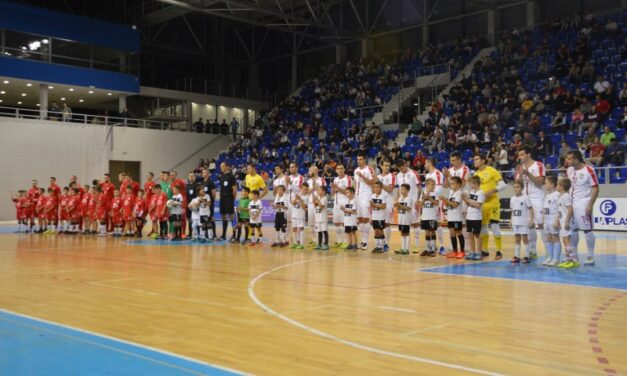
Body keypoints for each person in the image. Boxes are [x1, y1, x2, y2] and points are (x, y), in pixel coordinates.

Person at [565, 151, 599, 265]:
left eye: (569, 159)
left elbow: (595, 188)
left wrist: (590, 204)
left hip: (583, 203)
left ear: (576, 160)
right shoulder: (569, 170)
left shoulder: (589, 170)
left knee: (587, 230)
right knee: (573, 230)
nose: (567, 161)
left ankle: (590, 255)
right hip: (571, 205)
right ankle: (574, 256)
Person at [514, 146, 546, 259]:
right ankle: (533, 251)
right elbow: (517, 183)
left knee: (541, 224)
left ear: (528, 154)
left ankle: (548, 251)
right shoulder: (520, 167)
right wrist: (522, 174)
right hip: (525, 198)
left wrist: (528, 174)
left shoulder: (539, 165)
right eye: (519, 155)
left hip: (537, 197)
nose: (520, 157)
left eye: (522, 154)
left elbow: (541, 182)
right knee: (530, 225)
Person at [473, 154, 507, 260]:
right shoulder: (476, 174)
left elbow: (503, 184)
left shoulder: (492, 170)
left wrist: (492, 191)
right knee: (483, 228)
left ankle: (498, 251)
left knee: (494, 226)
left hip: (493, 203)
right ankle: (485, 251)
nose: (475, 161)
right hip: (482, 205)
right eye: (474, 159)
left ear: (483, 160)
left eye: (477, 159)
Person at [395, 159, 422, 252]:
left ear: (405, 164)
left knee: (415, 224)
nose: (401, 169)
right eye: (399, 168)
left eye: (402, 167)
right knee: (404, 225)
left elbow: (419, 187)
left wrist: (418, 200)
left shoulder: (414, 173)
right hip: (403, 203)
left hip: (413, 203)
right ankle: (404, 247)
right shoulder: (398, 175)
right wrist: (398, 200)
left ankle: (416, 246)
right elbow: (399, 189)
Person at [354, 154, 376, 250]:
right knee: (360, 219)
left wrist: (362, 176)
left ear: (364, 160)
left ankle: (366, 242)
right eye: (358, 159)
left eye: (361, 159)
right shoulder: (355, 170)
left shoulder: (369, 169)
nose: (359, 161)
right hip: (357, 196)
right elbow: (356, 184)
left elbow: (372, 183)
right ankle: (362, 241)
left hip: (366, 195)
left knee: (366, 219)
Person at [424, 157, 446, 254]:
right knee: (428, 226)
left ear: (429, 163)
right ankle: (431, 247)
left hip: (436, 202)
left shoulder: (437, 173)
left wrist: (431, 195)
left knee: (437, 224)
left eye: (426, 163)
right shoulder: (428, 175)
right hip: (428, 202)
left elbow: (439, 188)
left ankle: (442, 246)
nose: (424, 165)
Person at [509, 181, 534, 264]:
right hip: (515, 221)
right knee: (516, 239)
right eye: (514, 187)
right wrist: (511, 220)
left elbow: (531, 209)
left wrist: (531, 219)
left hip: (523, 221)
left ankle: (527, 256)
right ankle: (517, 256)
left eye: (518, 187)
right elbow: (512, 211)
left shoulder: (525, 198)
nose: (516, 189)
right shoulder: (512, 198)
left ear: (522, 188)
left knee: (524, 239)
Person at [440, 176, 465, 258]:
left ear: (459, 184)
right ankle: (454, 251)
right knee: (452, 234)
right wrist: (445, 201)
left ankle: (462, 251)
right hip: (450, 217)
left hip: (456, 217)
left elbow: (454, 204)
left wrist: (445, 199)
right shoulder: (451, 192)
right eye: (451, 184)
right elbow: (449, 204)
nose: (451, 185)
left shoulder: (459, 193)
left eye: (453, 184)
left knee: (459, 233)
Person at [462, 176, 485, 261]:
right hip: (469, 216)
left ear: (476, 183)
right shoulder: (471, 192)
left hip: (476, 217)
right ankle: (472, 252)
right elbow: (469, 204)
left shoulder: (480, 193)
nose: (470, 185)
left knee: (477, 235)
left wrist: (467, 199)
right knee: (470, 235)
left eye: (471, 183)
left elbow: (478, 205)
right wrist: (465, 199)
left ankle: (479, 252)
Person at [556, 178, 577, 268]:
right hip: (562, 222)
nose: (557, 186)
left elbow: (570, 209)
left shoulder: (566, 196)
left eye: (557, 184)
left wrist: (567, 221)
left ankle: (572, 260)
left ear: (561, 186)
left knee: (567, 242)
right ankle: (569, 259)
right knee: (565, 242)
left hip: (566, 223)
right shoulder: (561, 196)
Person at [331, 164, 352, 248]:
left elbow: (349, 192)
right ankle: (339, 240)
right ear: (336, 170)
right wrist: (333, 188)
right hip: (336, 204)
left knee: (344, 223)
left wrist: (337, 188)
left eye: (341, 168)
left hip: (344, 203)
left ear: (344, 170)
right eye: (338, 169)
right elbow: (332, 193)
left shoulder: (348, 179)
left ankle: (345, 241)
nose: (340, 170)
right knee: (336, 223)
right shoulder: (335, 179)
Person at [542, 176, 561, 266]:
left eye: (546, 183)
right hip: (547, 220)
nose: (545, 185)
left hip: (553, 219)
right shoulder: (547, 195)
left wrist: (557, 220)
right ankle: (550, 257)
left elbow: (559, 209)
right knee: (548, 239)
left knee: (555, 238)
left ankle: (556, 259)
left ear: (553, 185)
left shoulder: (557, 195)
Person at [377, 159, 396, 252]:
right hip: (379, 204)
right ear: (381, 166)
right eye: (385, 165)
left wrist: (380, 184)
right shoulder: (378, 177)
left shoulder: (392, 176)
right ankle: (380, 243)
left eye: (389, 165)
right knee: (379, 224)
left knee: (387, 224)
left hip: (388, 203)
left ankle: (386, 244)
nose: (387, 167)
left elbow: (389, 189)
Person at [306, 166, 327, 245]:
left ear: (316, 171)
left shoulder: (322, 180)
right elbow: (306, 192)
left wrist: (315, 185)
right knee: (311, 223)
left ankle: (323, 240)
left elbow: (323, 191)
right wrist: (313, 187)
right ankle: (314, 239)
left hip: (319, 203)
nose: (310, 172)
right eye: (309, 171)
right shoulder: (308, 181)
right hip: (311, 203)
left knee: (320, 222)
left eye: (311, 171)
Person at [418, 179, 439, 257]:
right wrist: (424, 198)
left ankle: (433, 249)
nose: (433, 186)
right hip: (425, 216)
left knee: (432, 231)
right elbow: (420, 204)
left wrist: (430, 198)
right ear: (426, 185)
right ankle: (427, 249)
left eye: (434, 185)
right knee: (426, 232)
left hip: (432, 216)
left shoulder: (435, 193)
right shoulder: (423, 193)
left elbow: (437, 203)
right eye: (431, 185)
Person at [217, 163, 237, 241]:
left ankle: (234, 236)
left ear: (227, 167)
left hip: (229, 198)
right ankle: (223, 235)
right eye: (220, 166)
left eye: (223, 166)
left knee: (231, 216)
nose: (221, 168)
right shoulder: (221, 177)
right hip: (222, 198)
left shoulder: (231, 176)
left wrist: (232, 199)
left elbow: (234, 190)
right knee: (223, 217)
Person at [369, 181, 388, 253]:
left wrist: (374, 204)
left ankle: (382, 246)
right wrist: (372, 205)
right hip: (374, 216)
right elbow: (371, 206)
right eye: (375, 187)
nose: (376, 189)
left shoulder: (383, 195)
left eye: (377, 187)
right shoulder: (372, 195)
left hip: (380, 216)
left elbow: (383, 206)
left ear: (381, 188)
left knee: (380, 231)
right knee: (376, 231)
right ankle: (377, 246)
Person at [290, 183, 309, 249]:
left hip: (300, 215)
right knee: (294, 228)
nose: (305, 191)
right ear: (301, 188)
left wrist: (300, 199)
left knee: (301, 228)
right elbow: (292, 203)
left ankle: (301, 244)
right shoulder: (297, 194)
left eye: (306, 189)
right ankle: (295, 243)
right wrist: (296, 199)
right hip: (294, 214)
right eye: (304, 189)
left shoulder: (307, 197)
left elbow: (304, 207)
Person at [341, 187, 358, 251]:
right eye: (346, 193)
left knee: (353, 232)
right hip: (347, 220)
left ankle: (355, 244)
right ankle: (350, 244)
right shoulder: (346, 201)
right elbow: (345, 210)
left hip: (352, 220)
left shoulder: (354, 201)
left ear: (352, 193)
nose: (346, 194)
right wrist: (343, 209)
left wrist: (344, 209)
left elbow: (353, 211)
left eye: (348, 192)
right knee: (348, 233)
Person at [313, 185, 329, 250]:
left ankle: (326, 244)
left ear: (324, 192)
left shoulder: (325, 198)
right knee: (319, 231)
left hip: (323, 218)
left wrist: (317, 200)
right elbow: (315, 206)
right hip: (317, 217)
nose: (318, 191)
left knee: (324, 231)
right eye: (318, 190)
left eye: (320, 190)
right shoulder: (318, 197)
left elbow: (321, 206)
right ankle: (319, 244)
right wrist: (314, 201)